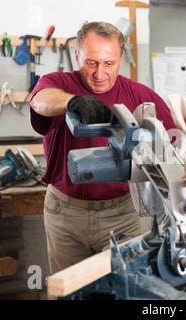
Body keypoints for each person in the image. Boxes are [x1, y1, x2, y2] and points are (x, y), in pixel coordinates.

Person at [29, 21, 176, 273]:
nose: (99, 73)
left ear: (121, 58)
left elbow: (173, 141)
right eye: (91, 63)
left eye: (109, 63)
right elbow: (40, 101)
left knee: (127, 287)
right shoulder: (57, 83)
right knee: (69, 290)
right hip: (65, 213)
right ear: (77, 56)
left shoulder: (141, 95)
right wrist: (72, 102)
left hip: (121, 213)